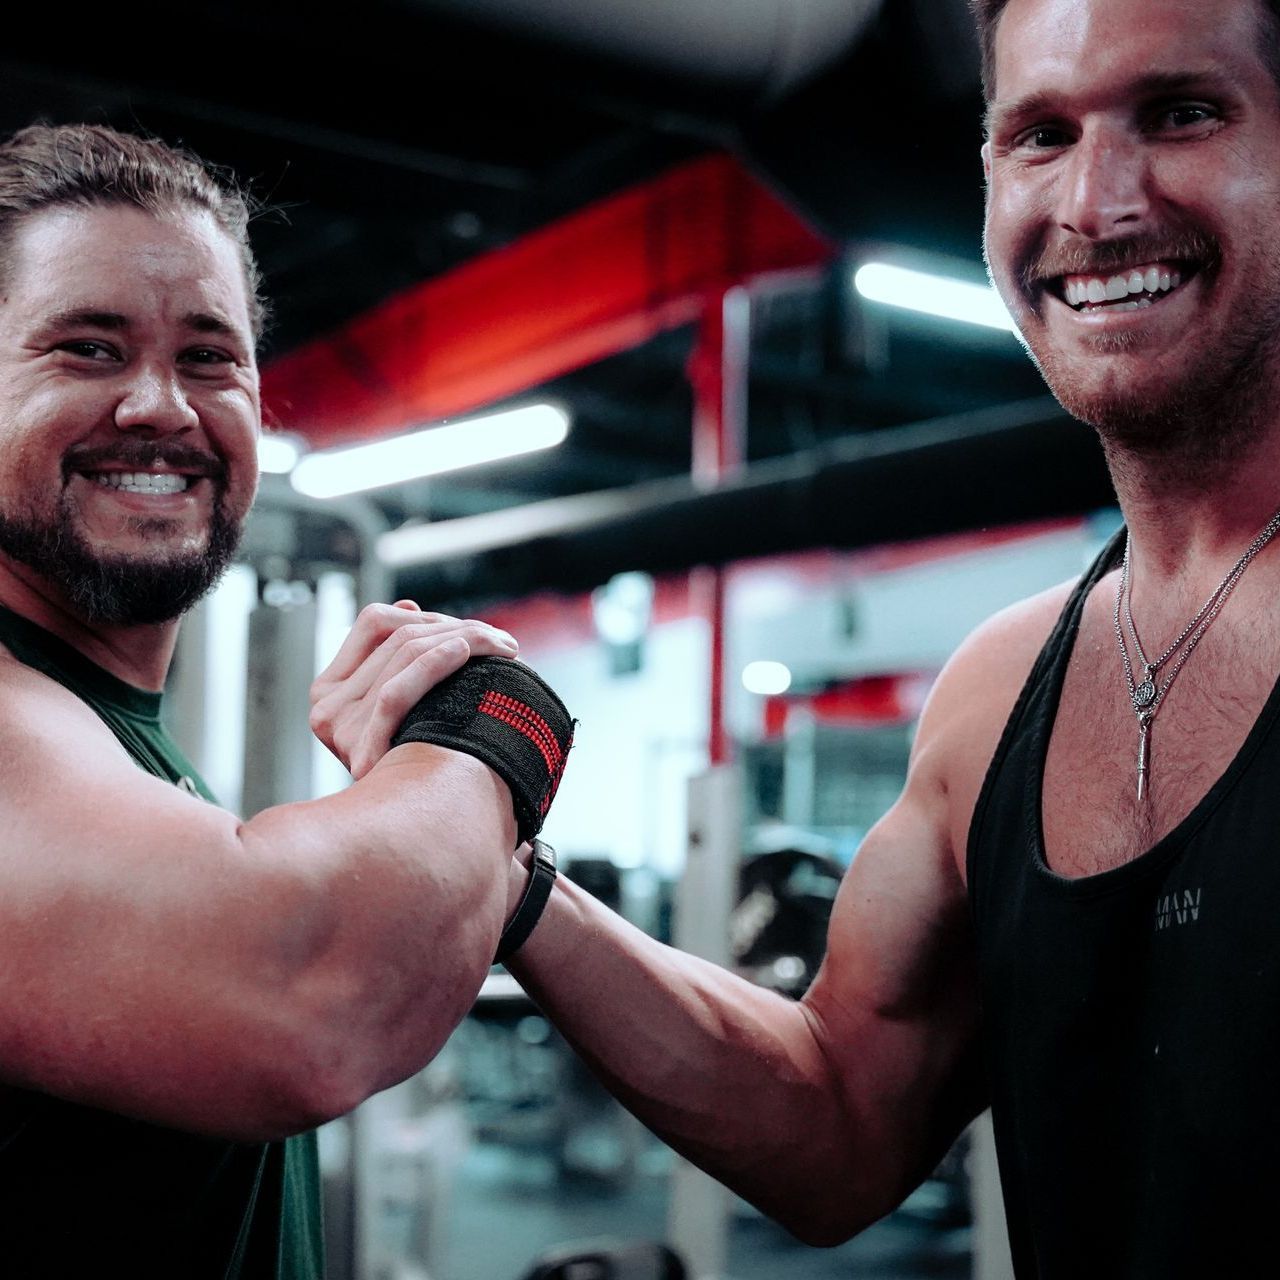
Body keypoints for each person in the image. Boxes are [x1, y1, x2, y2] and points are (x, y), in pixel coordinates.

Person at [501, 0, 1280, 1272]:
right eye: (1036, 133)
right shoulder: (994, 695)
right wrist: (510, 886)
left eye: (1179, 113)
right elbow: (837, 1121)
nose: (1095, 199)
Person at [0, 122, 568, 1276]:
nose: (160, 404)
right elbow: (309, 994)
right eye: (88, 348)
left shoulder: (120, 751)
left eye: (211, 357)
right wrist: (487, 722)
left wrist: (469, 851)